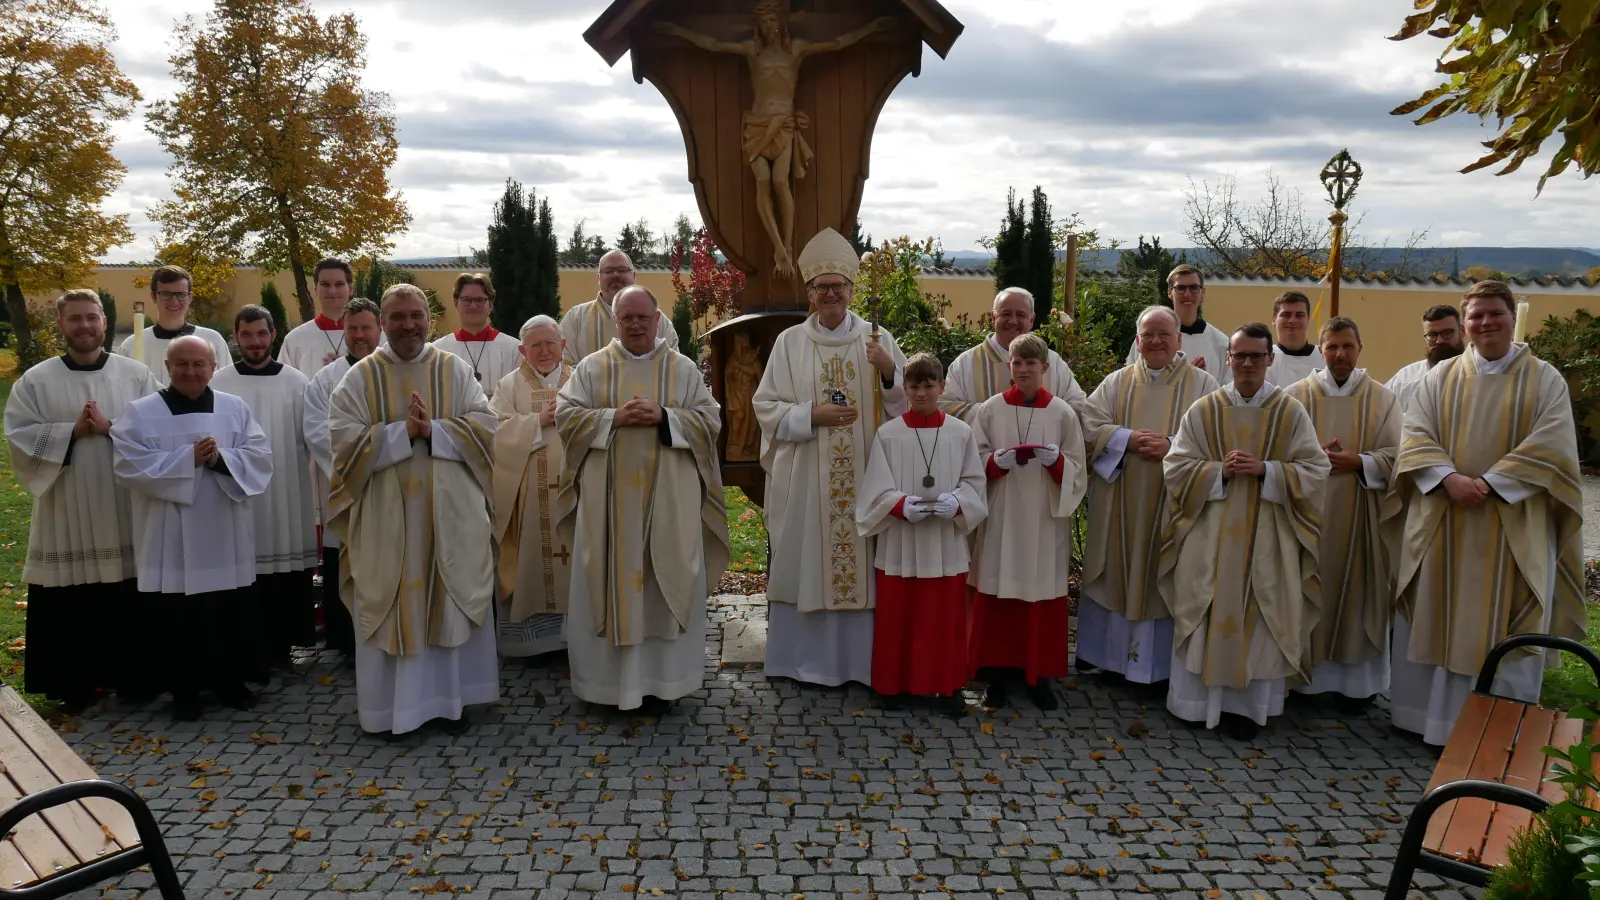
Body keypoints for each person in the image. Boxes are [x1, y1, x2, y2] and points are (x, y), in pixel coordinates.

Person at [1391, 281, 1584, 745]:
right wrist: (1447, 478)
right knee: (1436, 611)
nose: (1485, 323)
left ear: (1511, 317)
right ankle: (1427, 721)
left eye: (1494, 313)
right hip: (1446, 516)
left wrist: (1491, 483)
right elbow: (1414, 433)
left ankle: (1500, 730)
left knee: (1509, 619)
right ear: (1466, 323)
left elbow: (1552, 443)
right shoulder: (1439, 378)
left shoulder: (1544, 378)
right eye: (1476, 316)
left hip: (1511, 524)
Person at [327, 284, 499, 737]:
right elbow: (342, 442)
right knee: (392, 599)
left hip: (449, 516)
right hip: (387, 520)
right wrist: (401, 434)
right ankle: (391, 711)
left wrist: (435, 431)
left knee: (448, 597)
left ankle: (450, 703)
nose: (408, 325)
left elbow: (486, 426)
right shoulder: (361, 378)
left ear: (430, 319)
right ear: (383, 322)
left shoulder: (454, 370)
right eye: (398, 316)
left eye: (416, 315)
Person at [555, 285, 729, 715]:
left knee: (663, 579)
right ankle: (607, 686)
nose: (635, 324)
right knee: (610, 582)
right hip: (607, 509)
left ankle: (665, 684)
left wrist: (665, 417)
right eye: (626, 318)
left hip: (669, 504)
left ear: (657, 319)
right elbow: (566, 415)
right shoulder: (593, 368)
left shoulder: (682, 368)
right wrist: (613, 418)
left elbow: (711, 419)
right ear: (616, 321)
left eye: (642, 317)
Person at [753, 227, 908, 687]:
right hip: (806, 474)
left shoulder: (878, 339)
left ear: (851, 290)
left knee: (860, 558)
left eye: (838, 286)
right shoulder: (790, 343)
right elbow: (765, 407)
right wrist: (810, 415)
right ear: (810, 294)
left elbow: (904, 407)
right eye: (822, 287)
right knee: (805, 557)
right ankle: (799, 662)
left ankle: (859, 665)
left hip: (864, 470)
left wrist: (887, 372)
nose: (831, 294)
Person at [1160, 322, 1329, 739]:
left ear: (1270, 359)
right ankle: (1195, 705)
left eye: (1257, 356)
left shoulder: (1290, 412)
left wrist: (1267, 470)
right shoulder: (1205, 409)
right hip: (1211, 533)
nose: (1248, 364)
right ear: (1229, 359)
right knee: (1205, 605)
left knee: (1265, 610)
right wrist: (1219, 471)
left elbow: (1315, 469)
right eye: (1240, 356)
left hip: (1269, 535)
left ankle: (1249, 710)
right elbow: (1176, 466)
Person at [5, 290, 157, 712]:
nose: (85, 326)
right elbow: (18, 438)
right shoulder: (35, 380)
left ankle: (133, 678)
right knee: (69, 595)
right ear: (60, 325)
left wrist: (110, 428)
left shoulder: (137, 376)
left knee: (126, 589)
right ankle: (73, 683)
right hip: (64, 503)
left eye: (92, 318)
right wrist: (69, 432)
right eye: (75, 319)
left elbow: (159, 431)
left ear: (105, 323)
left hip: (120, 500)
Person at [111, 335, 273, 721]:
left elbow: (260, 456)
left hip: (224, 530)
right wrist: (188, 459)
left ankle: (231, 682)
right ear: (167, 368)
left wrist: (219, 459)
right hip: (169, 536)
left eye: (200, 364)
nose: (191, 371)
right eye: (182, 364)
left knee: (226, 610)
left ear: (213, 368)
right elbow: (129, 465)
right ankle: (183, 692)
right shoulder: (141, 411)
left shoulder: (234, 408)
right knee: (177, 617)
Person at [1077, 306, 1217, 684]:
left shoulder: (1203, 385)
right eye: (1148, 335)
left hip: (1173, 504)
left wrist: (1172, 445)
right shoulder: (1116, 382)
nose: (1155, 341)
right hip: (1121, 499)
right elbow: (1089, 425)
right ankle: (1107, 660)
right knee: (1116, 570)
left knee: (1164, 573)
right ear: (1137, 341)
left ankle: (1157, 668)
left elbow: (1216, 436)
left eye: (1163, 335)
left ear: (1179, 340)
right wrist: (1129, 439)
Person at [856, 353, 987, 715]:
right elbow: (874, 489)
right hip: (902, 540)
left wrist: (957, 502)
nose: (922, 393)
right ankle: (894, 686)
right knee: (899, 616)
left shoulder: (960, 432)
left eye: (930, 386)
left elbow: (975, 483)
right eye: (914, 386)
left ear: (942, 387)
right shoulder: (889, 433)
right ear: (905, 389)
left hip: (944, 541)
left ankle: (947, 686)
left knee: (944, 619)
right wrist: (899, 505)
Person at [1282, 317, 1401, 711]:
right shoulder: (1295, 396)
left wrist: (1360, 462)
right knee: (1306, 587)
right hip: (1308, 516)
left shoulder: (1383, 398)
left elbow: (1399, 456)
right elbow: (1278, 451)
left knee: (1360, 591)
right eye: (1332, 346)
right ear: (1320, 350)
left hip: (1362, 516)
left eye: (1348, 346)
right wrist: (1313, 457)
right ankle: (1304, 681)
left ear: (1360, 348)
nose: (1340, 354)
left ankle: (1356, 686)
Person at [968, 334, 1088, 709]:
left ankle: (1038, 677)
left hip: (1042, 519)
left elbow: (1078, 470)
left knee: (1038, 595)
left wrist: (1056, 462)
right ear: (1009, 366)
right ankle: (998, 677)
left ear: (1045, 368)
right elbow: (972, 461)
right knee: (1000, 594)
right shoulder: (989, 410)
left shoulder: (1062, 413)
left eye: (1030, 364)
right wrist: (992, 463)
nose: (1022, 369)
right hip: (1002, 515)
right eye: (1017, 363)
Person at [213, 305, 318, 670]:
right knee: (245, 571)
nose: (255, 342)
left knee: (286, 570)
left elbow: (313, 438)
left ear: (273, 335)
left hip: (287, 488)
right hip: (237, 492)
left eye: (261, 334)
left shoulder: (297, 382)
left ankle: (284, 646)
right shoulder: (220, 382)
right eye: (246, 335)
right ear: (236, 337)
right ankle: (246, 648)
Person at [302, 298, 383, 660]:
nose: (359, 335)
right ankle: (347, 644)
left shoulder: (393, 369)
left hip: (390, 484)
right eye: (352, 328)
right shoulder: (327, 378)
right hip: (345, 487)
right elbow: (317, 430)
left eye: (366, 327)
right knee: (343, 564)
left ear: (379, 328)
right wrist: (359, 461)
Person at [490, 315, 573, 659]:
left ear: (563, 345)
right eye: (535, 345)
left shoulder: (582, 380)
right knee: (530, 563)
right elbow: (492, 432)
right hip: (527, 497)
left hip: (574, 493)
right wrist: (537, 422)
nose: (543, 351)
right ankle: (534, 644)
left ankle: (575, 637)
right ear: (522, 350)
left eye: (550, 343)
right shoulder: (509, 386)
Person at [939, 287, 1086, 421]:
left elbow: (1078, 405)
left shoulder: (1052, 361)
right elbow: (945, 406)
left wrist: (1045, 415)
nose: (1013, 321)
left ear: (1032, 320)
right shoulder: (966, 363)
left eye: (1021, 315)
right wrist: (994, 412)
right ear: (993, 318)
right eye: (1006, 314)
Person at [115, 265, 232, 386]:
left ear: (190, 297)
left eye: (181, 294)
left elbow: (228, 385)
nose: (174, 301)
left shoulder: (212, 341)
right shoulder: (131, 346)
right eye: (166, 294)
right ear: (154, 296)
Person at [561, 251, 678, 366]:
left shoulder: (657, 319)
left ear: (634, 276)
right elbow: (563, 366)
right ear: (598, 278)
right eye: (608, 271)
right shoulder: (575, 319)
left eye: (622, 270)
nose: (615, 275)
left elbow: (672, 365)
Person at [1125, 264, 1230, 383]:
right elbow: (1132, 382)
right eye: (1180, 288)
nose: (1187, 294)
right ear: (1170, 293)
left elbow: (1227, 390)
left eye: (1194, 287)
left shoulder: (1221, 343)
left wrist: (1200, 381)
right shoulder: (1149, 339)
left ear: (1203, 293)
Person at [433, 273, 521, 399]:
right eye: (467, 300)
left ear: (490, 305)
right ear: (456, 303)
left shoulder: (514, 349)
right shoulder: (438, 350)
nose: (473, 306)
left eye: (480, 300)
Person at [281, 258, 373, 376]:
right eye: (325, 284)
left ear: (350, 289)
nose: (332, 291)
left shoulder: (373, 336)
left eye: (339, 284)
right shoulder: (295, 340)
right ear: (316, 289)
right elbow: (286, 385)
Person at [1386, 304, 1465, 410]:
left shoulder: (1478, 375)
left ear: (1462, 331)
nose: (1439, 340)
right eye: (1432, 335)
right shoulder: (1405, 379)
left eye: (1447, 333)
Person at [1264, 291, 1325, 387]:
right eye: (1286, 315)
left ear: (1308, 320)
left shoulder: (1324, 358)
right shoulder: (1263, 360)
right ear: (1274, 320)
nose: (1292, 320)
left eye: (1299, 315)